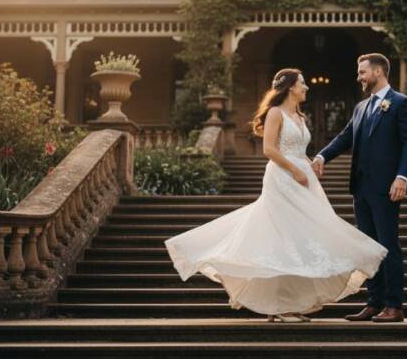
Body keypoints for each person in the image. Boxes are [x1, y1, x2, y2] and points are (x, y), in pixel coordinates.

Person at [164, 68, 388, 322]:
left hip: (303, 178)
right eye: (303, 83)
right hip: (282, 177)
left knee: (297, 240)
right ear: (290, 87)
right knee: (280, 236)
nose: (307, 87)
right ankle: (277, 306)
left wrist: (309, 164)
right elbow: (269, 149)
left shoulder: (300, 116)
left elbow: (297, 148)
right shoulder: (275, 113)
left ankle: (287, 304)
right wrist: (295, 170)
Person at [312, 53, 407, 323]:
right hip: (361, 187)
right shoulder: (361, 107)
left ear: (379, 72)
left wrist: (402, 177)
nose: (358, 77)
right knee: (368, 248)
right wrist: (322, 156)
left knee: (387, 245)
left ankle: (394, 306)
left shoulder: (400, 103)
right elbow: (345, 136)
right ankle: (374, 303)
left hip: (386, 187)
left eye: (362, 72)